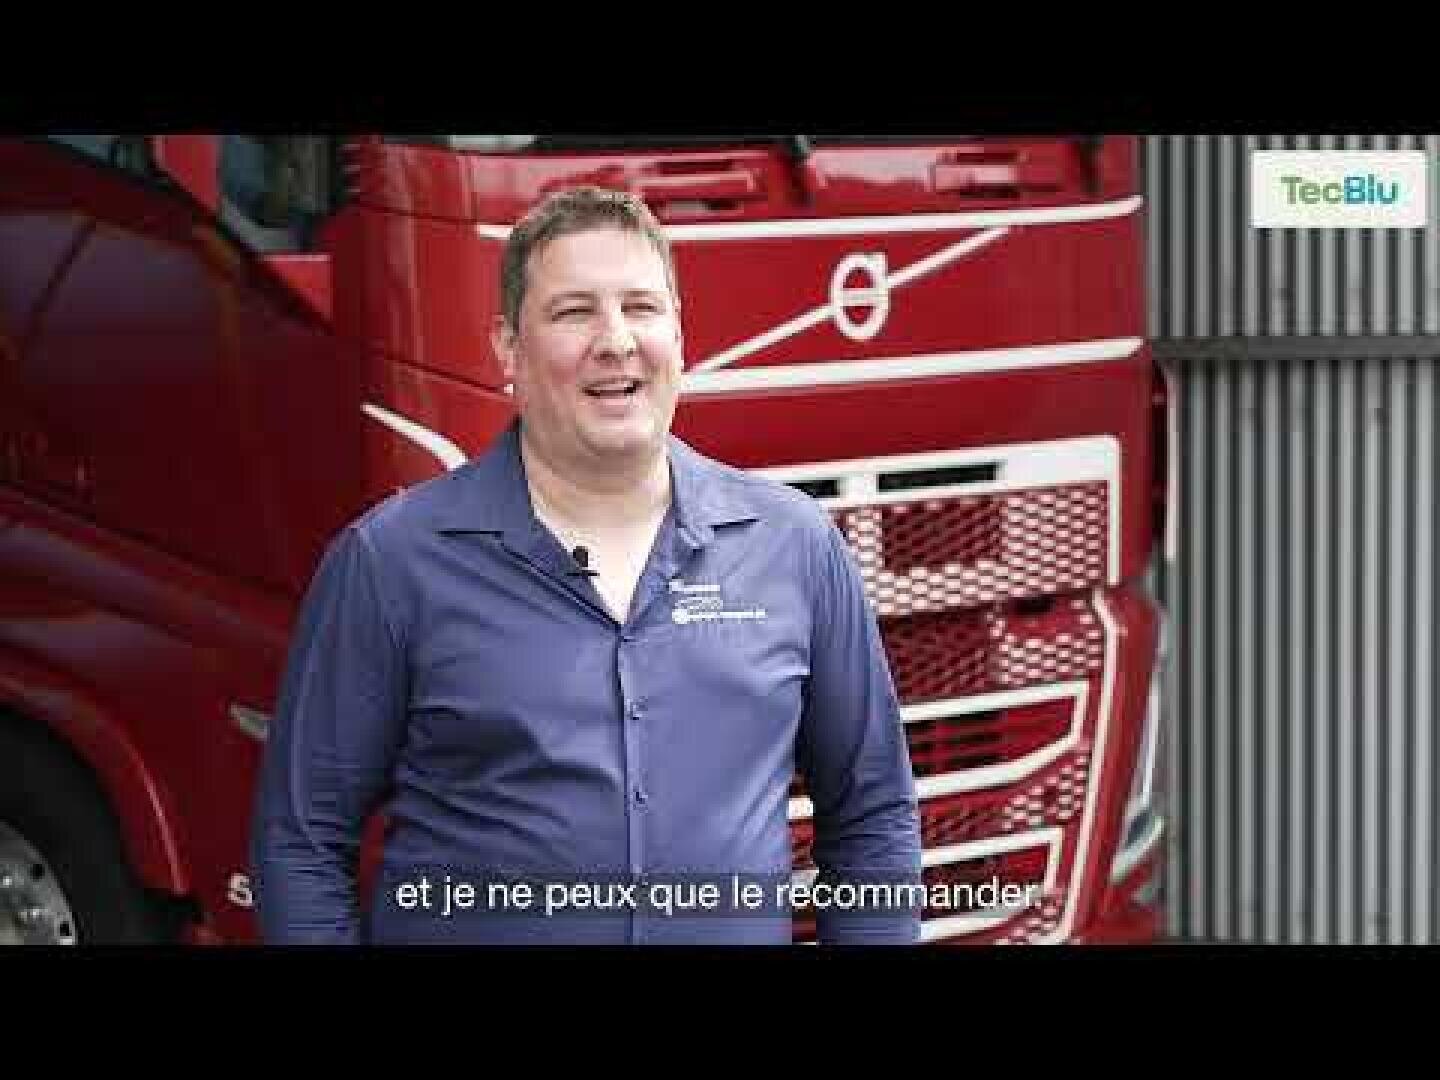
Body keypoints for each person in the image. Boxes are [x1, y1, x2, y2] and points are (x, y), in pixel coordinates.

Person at [249, 185, 922, 944]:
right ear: (508, 348)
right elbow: (302, 841)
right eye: (574, 312)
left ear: (680, 335)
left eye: (641, 307)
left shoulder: (795, 547)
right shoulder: (391, 564)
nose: (616, 340)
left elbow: (872, 816)